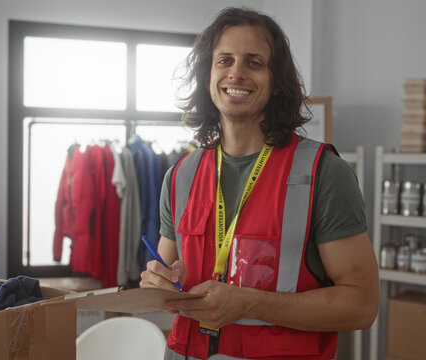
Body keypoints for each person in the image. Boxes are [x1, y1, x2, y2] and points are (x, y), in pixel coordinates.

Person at [140, 6, 379, 360]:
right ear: (208, 76)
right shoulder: (180, 175)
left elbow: (361, 305)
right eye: (224, 61)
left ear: (277, 82)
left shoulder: (324, 173)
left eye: (254, 62)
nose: (236, 73)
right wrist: (156, 282)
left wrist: (249, 304)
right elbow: (167, 275)